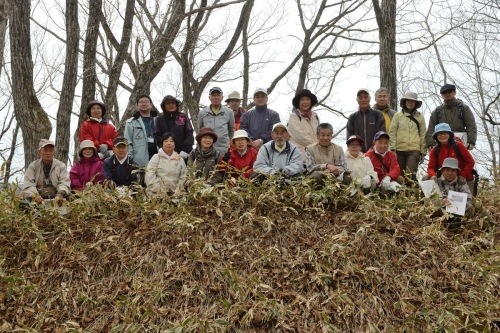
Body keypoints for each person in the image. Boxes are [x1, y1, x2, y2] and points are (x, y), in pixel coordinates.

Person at [425, 123, 475, 191]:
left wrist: (463, 175)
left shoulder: (458, 145)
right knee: (426, 177)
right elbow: (431, 167)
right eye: (439, 134)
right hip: (444, 179)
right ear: (436, 136)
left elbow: (470, 162)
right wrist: (433, 175)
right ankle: (424, 200)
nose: (442, 136)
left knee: (468, 200)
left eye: (445, 133)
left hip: (462, 177)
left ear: (449, 135)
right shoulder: (434, 150)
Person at [388, 92, 427, 181]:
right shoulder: (397, 115)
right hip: (399, 149)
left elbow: (423, 134)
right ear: (404, 102)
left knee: (410, 175)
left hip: (414, 150)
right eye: (408, 100)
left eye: (412, 101)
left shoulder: (420, 117)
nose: (410, 102)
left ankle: (411, 194)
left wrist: (423, 152)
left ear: (416, 103)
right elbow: (392, 132)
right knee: (399, 175)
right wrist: (392, 149)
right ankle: (400, 194)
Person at [426, 84, 477, 150]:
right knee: (443, 160)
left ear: (454, 93)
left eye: (449, 92)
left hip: (461, 140)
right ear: (441, 95)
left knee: (460, 160)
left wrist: (471, 141)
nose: (447, 94)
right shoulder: (437, 111)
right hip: (442, 140)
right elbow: (431, 128)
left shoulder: (463, 108)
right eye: (444, 93)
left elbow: (471, 125)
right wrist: (431, 143)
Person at [21, 139, 70, 206]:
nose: (48, 153)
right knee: (24, 204)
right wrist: (35, 195)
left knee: (70, 201)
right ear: (39, 152)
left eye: (51, 150)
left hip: (55, 195)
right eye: (45, 150)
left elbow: (64, 182)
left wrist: (61, 193)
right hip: (38, 195)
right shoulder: (33, 166)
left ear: (54, 152)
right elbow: (28, 184)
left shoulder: (61, 166)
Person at [305, 123, 350, 187]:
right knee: (316, 176)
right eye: (322, 135)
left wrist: (332, 170)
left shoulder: (339, 149)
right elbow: (310, 167)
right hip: (319, 177)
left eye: (328, 135)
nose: (325, 138)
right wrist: (326, 166)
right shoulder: (310, 149)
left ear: (331, 136)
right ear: (317, 136)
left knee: (347, 176)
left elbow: (344, 167)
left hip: (336, 176)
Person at [154, 95, 194, 162]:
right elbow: (157, 136)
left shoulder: (183, 117)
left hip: (183, 154)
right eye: (168, 103)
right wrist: (165, 149)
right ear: (164, 106)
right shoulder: (159, 120)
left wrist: (185, 150)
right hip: (165, 154)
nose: (171, 105)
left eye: (173, 103)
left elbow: (189, 133)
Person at [346, 88, 386, 153]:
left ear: (369, 98)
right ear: (357, 100)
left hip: (375, 153)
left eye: (365, 97)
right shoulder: (352, 117)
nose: (363, 100)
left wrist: (372, 150)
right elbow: (350, 138)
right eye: (360, 98)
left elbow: (381, 135)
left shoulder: (378, 115)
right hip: (358, 155)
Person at [124, 94, 159, 167]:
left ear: (151, 105)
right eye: (141, 102)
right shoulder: (131, 122)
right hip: (139, 161)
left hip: (159, 158)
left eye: (146, 102)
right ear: (137, 106)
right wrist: (130, 158)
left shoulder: (159, 121)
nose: (144, 104)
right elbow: (127, 142)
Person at [197, 87, 235, 154]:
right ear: (209, 97)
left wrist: (225, 142)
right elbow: (200, 130)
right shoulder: (202, 113)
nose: (216, 97)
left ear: (222, 97)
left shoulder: (229, 112)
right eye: (213, 95)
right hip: (206, 149)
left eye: (218, 95)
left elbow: (231, 130)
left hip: (223, 150)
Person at [288, 89, 320, 164]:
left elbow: (319, 134)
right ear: (298, 102)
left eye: (307, 99)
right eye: (302, 100)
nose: (305, 102)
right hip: (299, 158)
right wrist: (316, 146)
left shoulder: (315, 116)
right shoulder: (294, 116)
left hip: (314, 158)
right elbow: (299, 136)